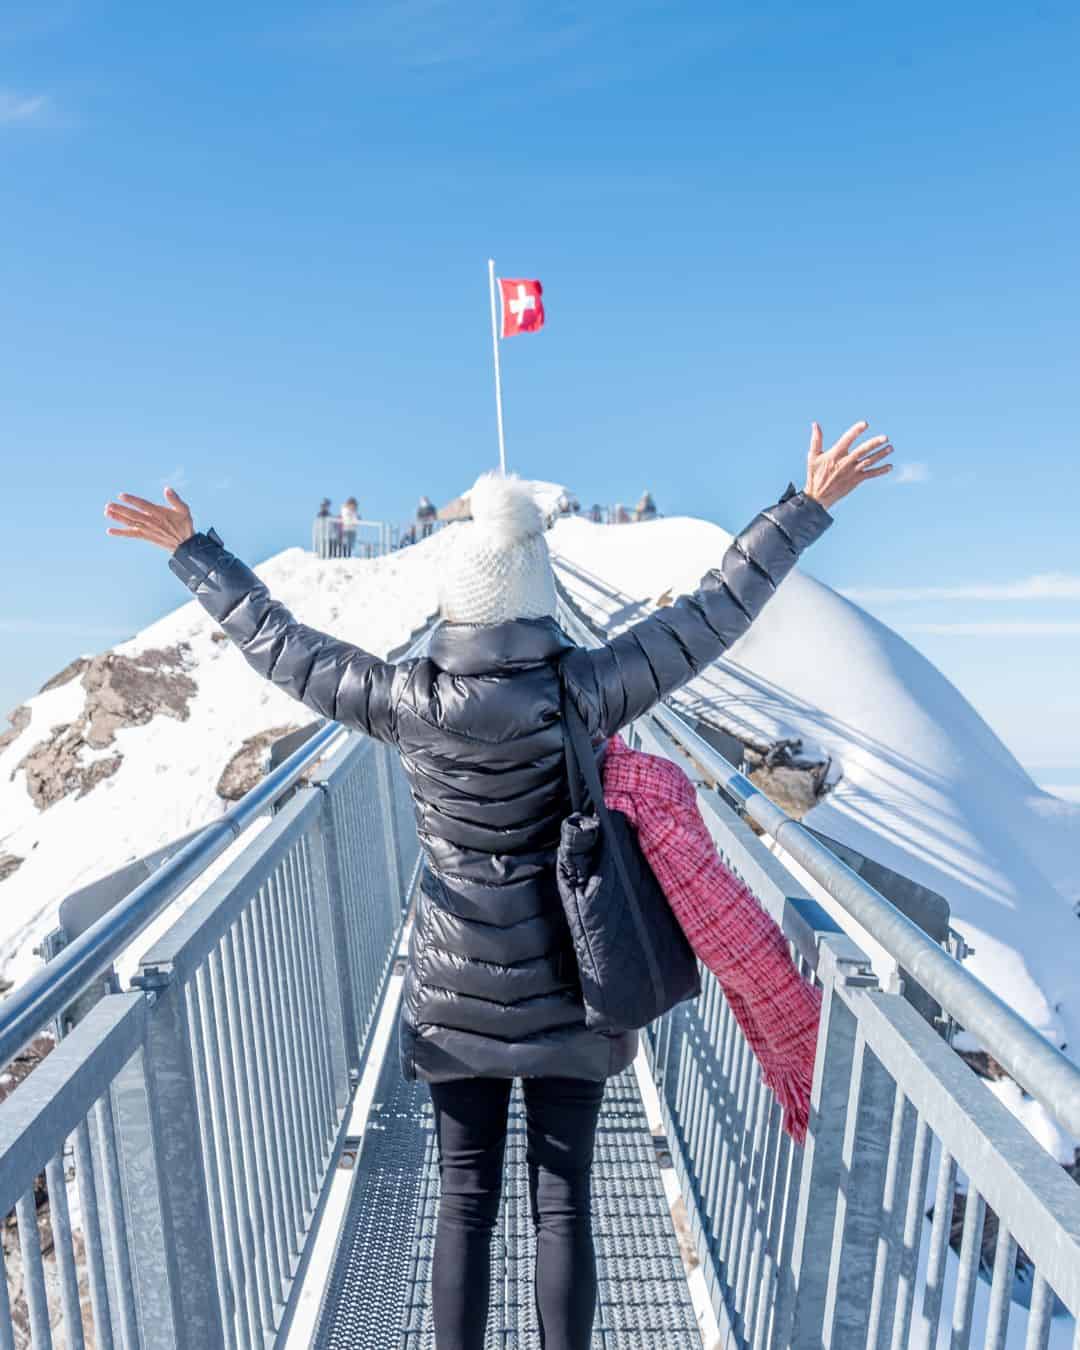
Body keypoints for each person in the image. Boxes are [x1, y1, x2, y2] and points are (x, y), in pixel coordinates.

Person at [104, 420, 893, 1350]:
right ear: (537, 603)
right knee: (563, 1206)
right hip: (576, 987)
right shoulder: (588, 688)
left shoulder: (404, 699)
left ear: (455, 608)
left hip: (457, 994)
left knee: (464, 1204)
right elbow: (716, 610)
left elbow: (282, 646)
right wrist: (801, 510)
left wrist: (197, 554)